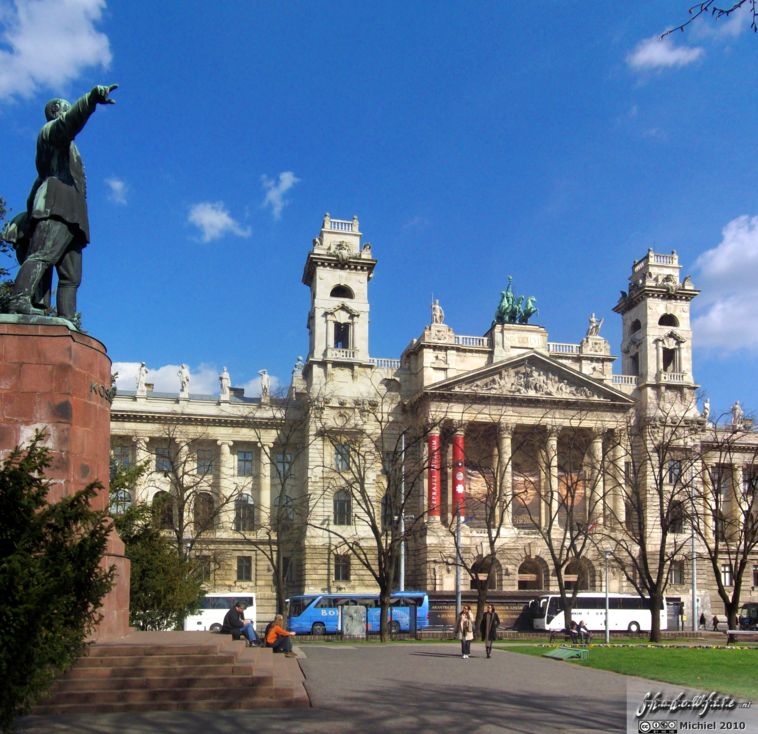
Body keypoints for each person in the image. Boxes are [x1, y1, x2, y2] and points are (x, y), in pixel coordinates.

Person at [8, 84, 118, 319]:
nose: (69, 113)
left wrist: (28, 213)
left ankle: (67, 320)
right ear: (56, 113)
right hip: (55, 205)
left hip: (74, 214)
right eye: (66, 110)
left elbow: (35, 185)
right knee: (42, 255)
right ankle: (19, 301)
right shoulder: (51, 132)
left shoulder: (67, 149)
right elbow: (70, 123)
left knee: (71, 277)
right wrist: (90, 100)